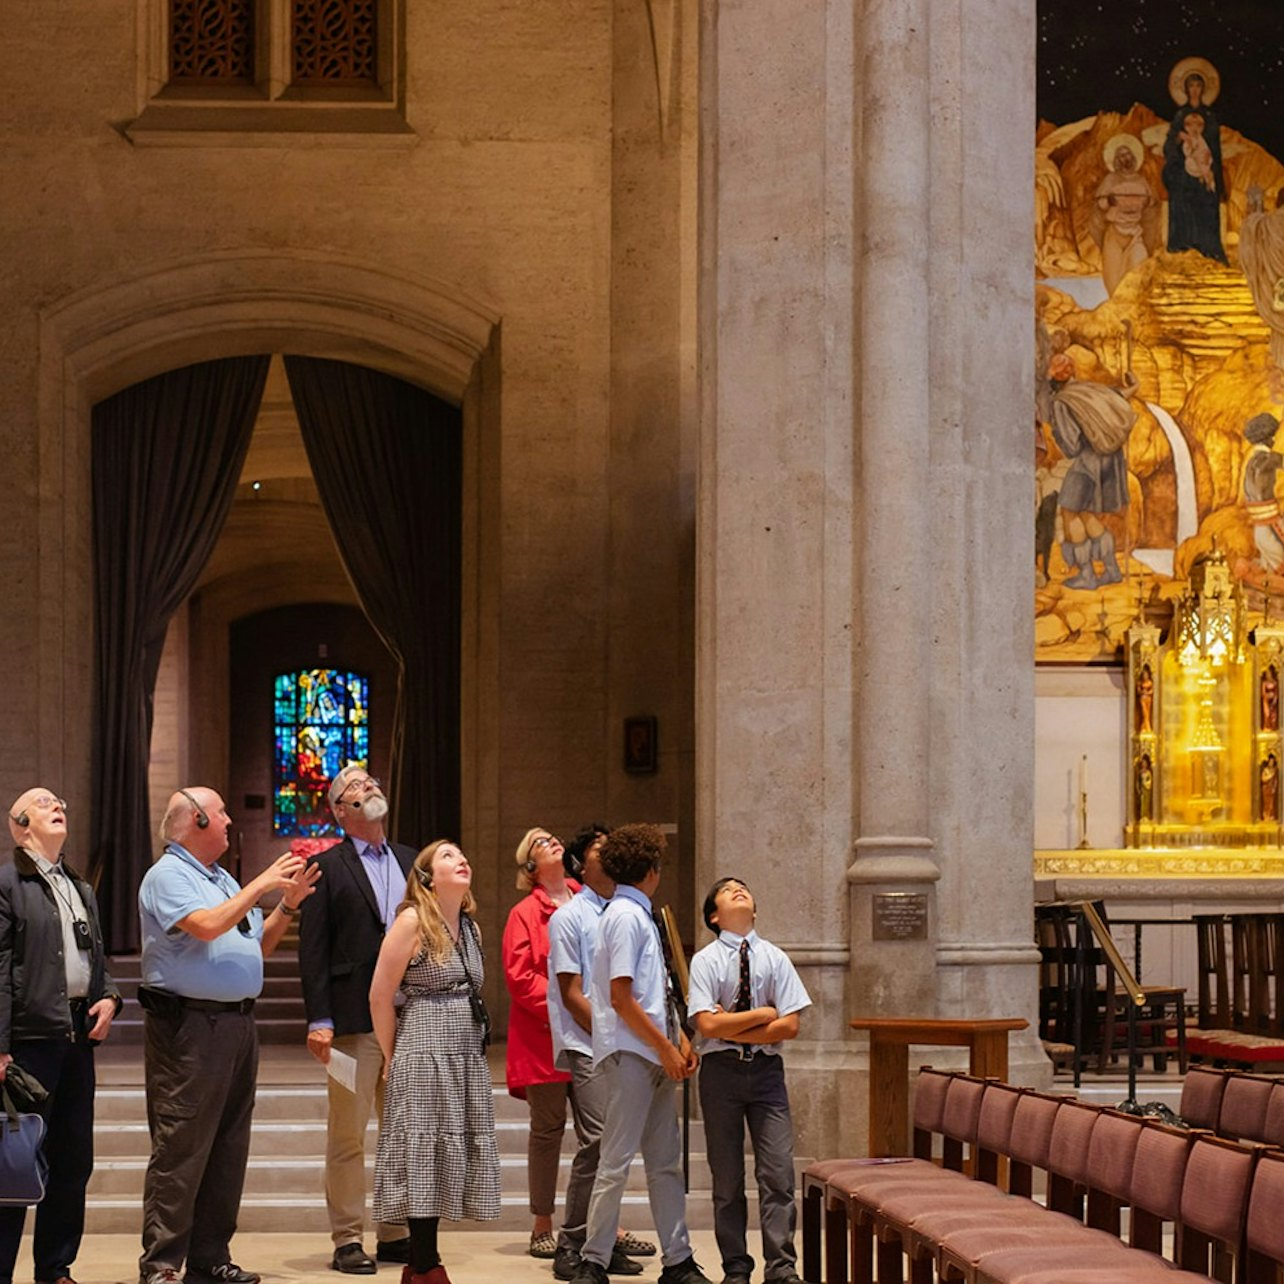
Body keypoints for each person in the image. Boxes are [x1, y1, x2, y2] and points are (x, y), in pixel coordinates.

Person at [137, 788, 320, 1284]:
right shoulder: (168, 875)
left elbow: (255, 945)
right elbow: (207, 926)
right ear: (194, 820)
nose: (228, 820)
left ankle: (209, 1255)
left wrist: (284, 905)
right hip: (191, 1027)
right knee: (182, 1145)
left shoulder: (220, 878)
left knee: (227, 1145)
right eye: (219, 813)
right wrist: (259, 883)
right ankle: (161, 1264)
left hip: (236, 1024)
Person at [569, 823, 708, 1284]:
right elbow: (622, 998)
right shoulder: (627, 917)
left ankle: (678, 1259)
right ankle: (593, 1260)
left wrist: (677, 1041)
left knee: (665, 1162)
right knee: (615, 1161)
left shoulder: (634, 913)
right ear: (652, 869)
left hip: (649, 1051)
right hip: (634, 1053)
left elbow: (653, 994)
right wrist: (666, 1045)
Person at [0, 789, 121, 1284]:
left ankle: (55, 1268)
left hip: (75, 1037)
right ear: (20, 824)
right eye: (46, 802)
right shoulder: (8, 882)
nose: (59, 807)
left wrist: (109, 996)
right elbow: (0, 967)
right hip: (28, 1041)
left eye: (61, 802)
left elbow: (96, 957)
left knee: (73, 1160)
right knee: (14, 1160)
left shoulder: (78, 885)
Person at [298, 767, 416, 1273]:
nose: (368, 788)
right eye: (354, 788)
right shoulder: (327, 866)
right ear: (340, 811)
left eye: (371, 782)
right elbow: (313, 950)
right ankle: (348, 1238)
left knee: (402, 1131)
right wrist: (318, 1018)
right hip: (348, 1023)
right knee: (347, 1133)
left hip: (409, 1021)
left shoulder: (413, 862)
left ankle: (395, 1232)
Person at [369, 840, 500, 1284]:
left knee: (447, 1151)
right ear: (426, 875)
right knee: (424, 1149)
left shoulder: (470, 927)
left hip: (463, 1051)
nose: (461, 859)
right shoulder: (411, 921)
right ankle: (424, 1264)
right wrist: (393, 1057)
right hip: (423, 1048)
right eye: (447, 856)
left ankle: (424, 1263)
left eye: (463, 854)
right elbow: (380, 996)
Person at [687, 878, 811, 1284]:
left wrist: (729, 1026)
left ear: (755, 910)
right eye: (727, 890)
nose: (738, 890)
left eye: (744, 888)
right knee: (727, 1177)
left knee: (777, 1174)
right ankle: (736, 1267)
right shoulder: (705, 961)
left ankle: (781, 1267)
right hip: (720, 1074)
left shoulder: (775, 958)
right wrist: (763, 1013)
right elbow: (705, 1022)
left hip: (765, 1074)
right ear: (714, 915)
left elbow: (789, 1026)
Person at [545, 825, 653, 1281]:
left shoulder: (626, 912)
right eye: (597, 850)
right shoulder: (569, 917)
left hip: (619, 1041)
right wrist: (612, 1033)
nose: (607, 856)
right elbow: (571, 991)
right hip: (587, 1041)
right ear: (579, 865)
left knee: (614, 1144)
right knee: (596, 1141)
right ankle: (572, 1241)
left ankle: (600, 1242)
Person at [502, 828, 580, 1258]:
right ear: (530, 867)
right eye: (538, 841)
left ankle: (601, 1220)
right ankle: (542, 1223)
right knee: (548, 1130)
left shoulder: (589, 899)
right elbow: (519, 978)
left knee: (599, 1132)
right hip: (544, 1035)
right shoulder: (523, 914)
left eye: (551, 836)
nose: (550, 840)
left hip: (592, 1032)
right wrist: (567, 1005)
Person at [1162, 65, 1227, 262]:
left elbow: (1214, 148)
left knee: (1206, 204)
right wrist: (1179, 139)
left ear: (1203, 89)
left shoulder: (1210, 117)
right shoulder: (1180, 115)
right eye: (1192, 85)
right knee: (1182, 201)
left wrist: (1211, 171)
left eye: (1199, 85)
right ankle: (1182, 245)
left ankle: (1208, 248)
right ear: (1186, 89)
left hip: (1205, 170)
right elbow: (1169, 146)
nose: (1195, 89)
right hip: (1183, 174)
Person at [1088, 134, 1158, 297]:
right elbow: (1100, 204)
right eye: (1121, 156)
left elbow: (1152, 203)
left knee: (1139, 274)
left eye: (1127, 155)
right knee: (1114, 280)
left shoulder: (1141, 180)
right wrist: (1109, 200)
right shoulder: (1111, 180)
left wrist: (1146, 202)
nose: (1125, 159)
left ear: (1133, 157)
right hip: (1115, 234)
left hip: (1135, 234)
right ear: (1116, 160)